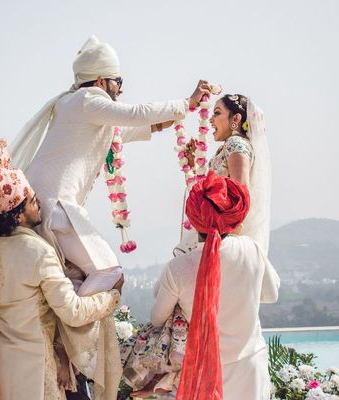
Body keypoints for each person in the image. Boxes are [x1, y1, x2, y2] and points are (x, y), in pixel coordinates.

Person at [11, 36, 211, 288]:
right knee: (110, 274)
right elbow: (135, 114)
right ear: (99, 81)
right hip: (56, 208)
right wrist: (186, 102)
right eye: (118, 82)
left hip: (50, 208)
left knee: (77, 280)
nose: (121, 88)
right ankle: (76, 318)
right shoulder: (86, 100)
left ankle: (68, 322)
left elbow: (140, 127)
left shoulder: (84, 112)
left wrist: (181, 112)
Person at [0, 139, 124, 400]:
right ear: (17, 214)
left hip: (2, 368)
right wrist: (110, 297)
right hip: (37, 371)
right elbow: (72, 311)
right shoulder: (38, 251)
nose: (38, 204)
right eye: (32, 201)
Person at [122, 171, 280, 399]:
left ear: (194, 219)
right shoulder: (251, 249)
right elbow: (271, 294)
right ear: (233, 216)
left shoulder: (178, 268)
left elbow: (157, 318)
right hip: (251, 369)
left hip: (201, 375)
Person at [182, 94, 271, 254]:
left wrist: (226, 232)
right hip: (220, 233)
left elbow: (241, 192)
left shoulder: (235, 144)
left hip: (225, 239)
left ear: (235, 118)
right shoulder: (229, 147)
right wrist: (193, 166)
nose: (210, 120)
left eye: (217, 113)